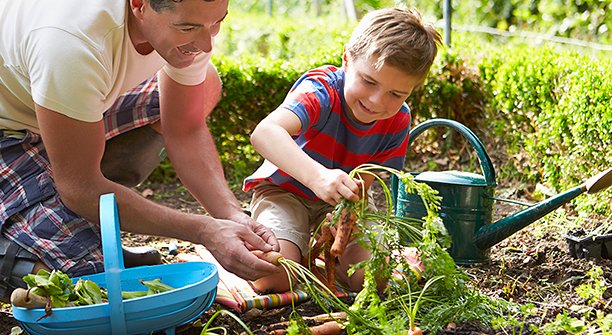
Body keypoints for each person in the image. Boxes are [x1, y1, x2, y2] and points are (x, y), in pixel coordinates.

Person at [0, 0, 280, 302]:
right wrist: (204, 231)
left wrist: (232, 216)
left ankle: (81, 209)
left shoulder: (194, 22)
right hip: (10, 131)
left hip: (59, 103)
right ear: (138, 5)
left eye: (217, 22)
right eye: (188, 27)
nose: (206, 42)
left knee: (205, 84)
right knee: (86, 282)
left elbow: (184, 128)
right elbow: (79, 187)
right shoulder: (72, 41)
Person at [243, 7, 442, 293]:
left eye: (396, 94)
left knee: (370, 280)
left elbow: (364, 184)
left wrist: (345, 216)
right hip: (285, 191)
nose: (376, 101)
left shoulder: (398, 120)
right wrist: (317, 178)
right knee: (273, 277)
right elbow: (265, 133)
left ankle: (316, 254)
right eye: (369, 81)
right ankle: (284, 247)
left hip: (343, 203)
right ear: (347, 59)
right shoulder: (321, 90)